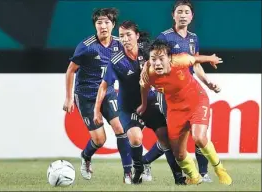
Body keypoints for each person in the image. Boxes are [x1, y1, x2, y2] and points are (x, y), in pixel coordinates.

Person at [94, 20, 186, 185]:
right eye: (121, 36)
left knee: (165, 138)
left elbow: (166, 59)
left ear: (137, 36)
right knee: (136, 138)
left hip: (149, 103)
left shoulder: (148, 51)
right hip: (128, 108)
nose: (125, 39)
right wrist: (96, 111)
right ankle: (138, 169)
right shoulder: (116, 60)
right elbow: (103, 86)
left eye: (129, 35)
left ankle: (179, 178)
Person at [142, 0, 221, 182]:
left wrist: (208, 83)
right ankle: (148, 162)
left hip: (191, 92)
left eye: (187, 12)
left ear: (192, 16)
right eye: (180, 11)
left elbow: (196, 65)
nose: (183, 15)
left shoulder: (193, 38)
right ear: (173, 15)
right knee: (173, 139)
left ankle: (203, 172)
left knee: (199, 133)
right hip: (169, 95)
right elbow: (153, 62)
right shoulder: (165, 37)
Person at [137, 40, 232, 185]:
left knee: (199, 138)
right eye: (153, 59)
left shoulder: (180, 60)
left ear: (169, 58)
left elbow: (195, 59)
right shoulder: (149, 74)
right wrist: (143, 105)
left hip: (197, 102)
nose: (157, 63)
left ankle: (220, 170)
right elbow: (143, 88)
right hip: (175, 111)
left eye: (161, 59)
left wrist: (211, 58)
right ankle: (194, 177)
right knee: (178, 154)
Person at [62, 8, 132, 184]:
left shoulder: (119, 45)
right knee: (100, 140)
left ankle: (128, 173)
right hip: (86, 95)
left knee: (120, 128)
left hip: (107, 93)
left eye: (107, 22)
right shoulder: (86, 46)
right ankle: (86, 156)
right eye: (99, 22)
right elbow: (70, 71)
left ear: (113, 25)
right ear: (95, 25)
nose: (103, 26)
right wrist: (69, 98)